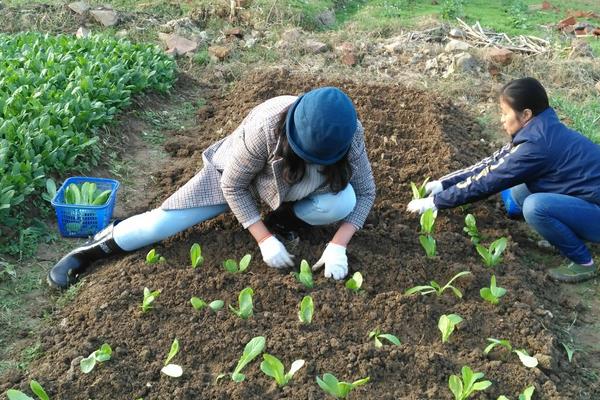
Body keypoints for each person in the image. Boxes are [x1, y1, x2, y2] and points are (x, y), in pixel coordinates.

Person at [47, 87, 376, 289]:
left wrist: (338, 244)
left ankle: (284, 220)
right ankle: (89, 251)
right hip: (241, 181)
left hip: (297, 186)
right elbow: (232, 185)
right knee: (161, 224)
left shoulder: (349, 134)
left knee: (341, 201)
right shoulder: (266, 127)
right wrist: (263, 240)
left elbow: (366, 193)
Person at [407, 77, 600, 283]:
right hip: (585, 196)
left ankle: (583, 262)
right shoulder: (540, 128)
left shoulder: (536, 146)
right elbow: (491, 164)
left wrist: (436, 202)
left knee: (535, 207)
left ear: (526, 114)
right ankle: (563, 235)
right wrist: (444, 184)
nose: (501, 119)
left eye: (505, 113)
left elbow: (487, 181)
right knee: (519, 192)